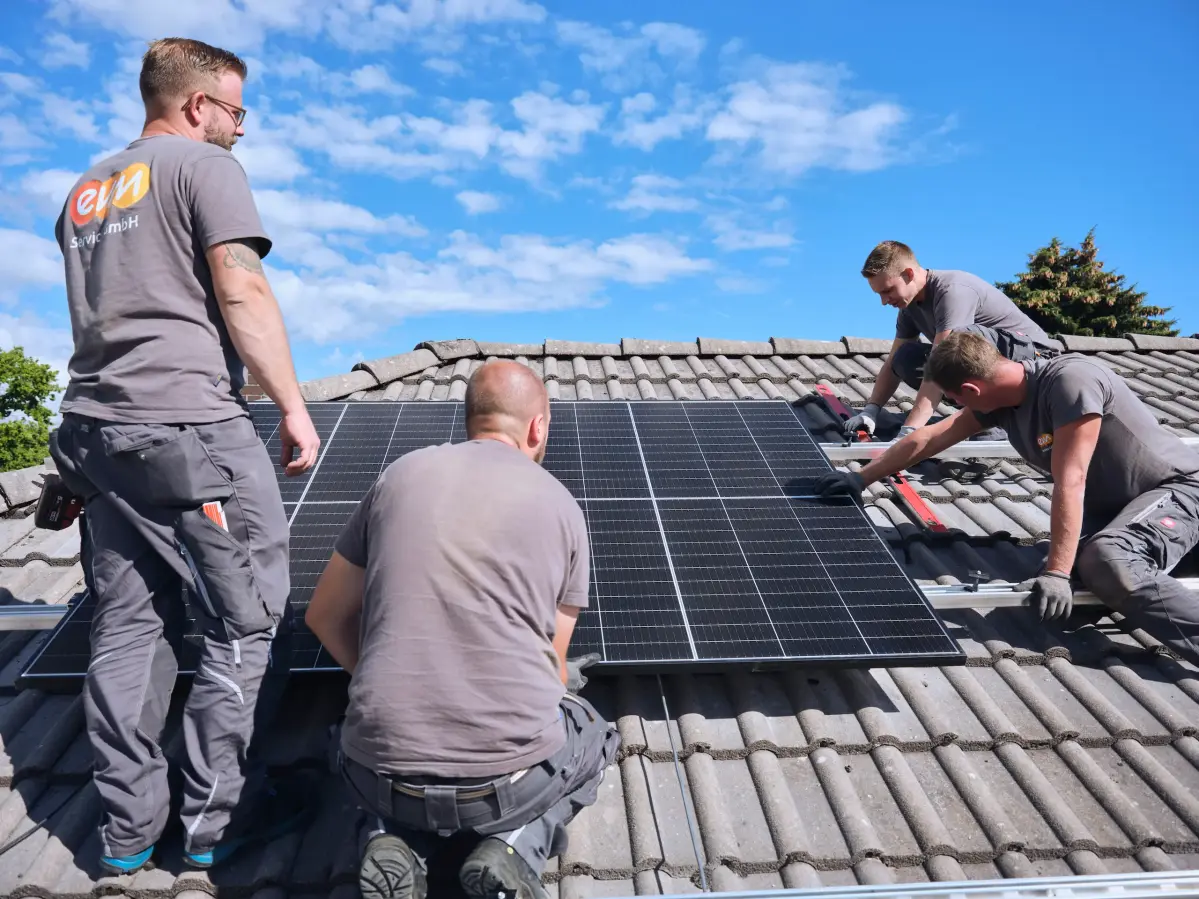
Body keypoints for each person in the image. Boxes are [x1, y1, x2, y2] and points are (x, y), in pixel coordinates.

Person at [48, 37, 321, 875]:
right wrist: (291, 405)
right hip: (187, 427)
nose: (242, 128)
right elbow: (240, 285)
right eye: (236, 111)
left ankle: (126, 833)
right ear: (198, 105)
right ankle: (215, 823)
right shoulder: (205, 167)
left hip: (95, 435)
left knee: (127, 624)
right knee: (245, 622)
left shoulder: (86, 190)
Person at [304, 359, 621, 899]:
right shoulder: (563, 507)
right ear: (537, 427)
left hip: (381, 778)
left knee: (350, 739)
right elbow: (551, 667)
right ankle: (515, 846)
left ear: (470, 418)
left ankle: (385, 836)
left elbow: (322, 616)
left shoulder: (397, 477)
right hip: (506, 790)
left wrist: (381, 673)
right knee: (593, 733)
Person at [815, 330, 1199, 665]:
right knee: (1049, 607)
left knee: (1108, 561)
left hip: (1178, 489)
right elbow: (929, 438)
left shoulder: (1070, 382)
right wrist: (860, 478)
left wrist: (1056, 572)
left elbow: (1072, 480)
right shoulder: (1003, 403)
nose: (959, 407)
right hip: (1122, 512)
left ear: (971, 390)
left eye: (955, 399)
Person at [847, 240, 1060, 441]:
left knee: (959, 345)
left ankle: (996, 424)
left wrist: (908, 433)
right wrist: (871, 410)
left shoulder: (952, 291)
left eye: (887, 290)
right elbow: (892, 363)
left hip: (1036, 362)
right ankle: (985, 416)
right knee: (905, 357)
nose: (884, 301)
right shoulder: (908, 308)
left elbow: (938, 365)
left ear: (909, 274)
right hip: (992, 363)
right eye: (879, 294)